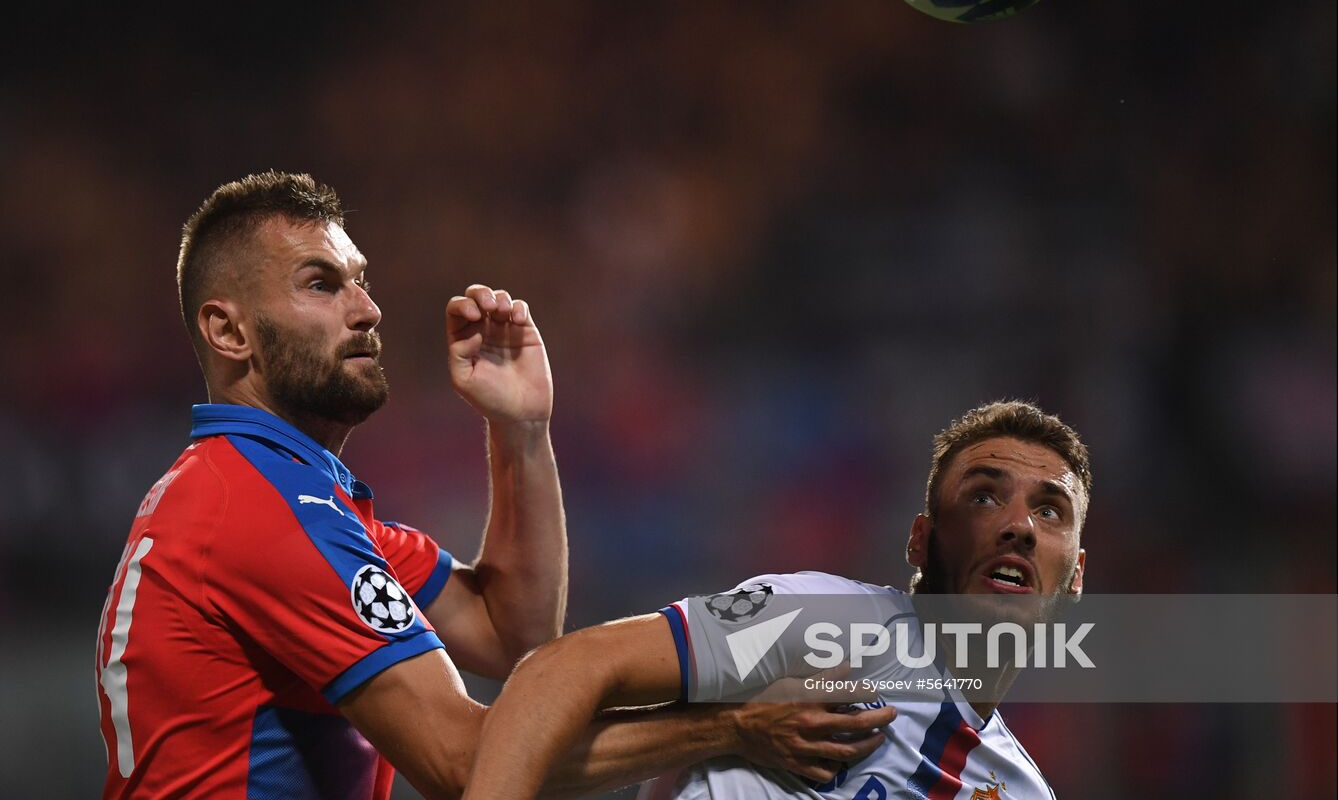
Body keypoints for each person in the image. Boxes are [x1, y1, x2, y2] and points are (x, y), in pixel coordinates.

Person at [93, 171, 892, 800]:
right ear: (229, 330)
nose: (368, 308)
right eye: (321, 284)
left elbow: (513, 635)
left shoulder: (277, 497)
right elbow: (467, 761)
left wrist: (521, 432)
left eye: (361, 279)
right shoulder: (258, 510)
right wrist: (727, 727)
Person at [463, 400, 1092, 799]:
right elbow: (561, 670)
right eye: (984, 496)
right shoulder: (826, 622)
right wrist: (727, 728)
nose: (1019, 526)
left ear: (1076, 578)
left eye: (1049, 510)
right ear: (921, 542)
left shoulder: (1018, 791)